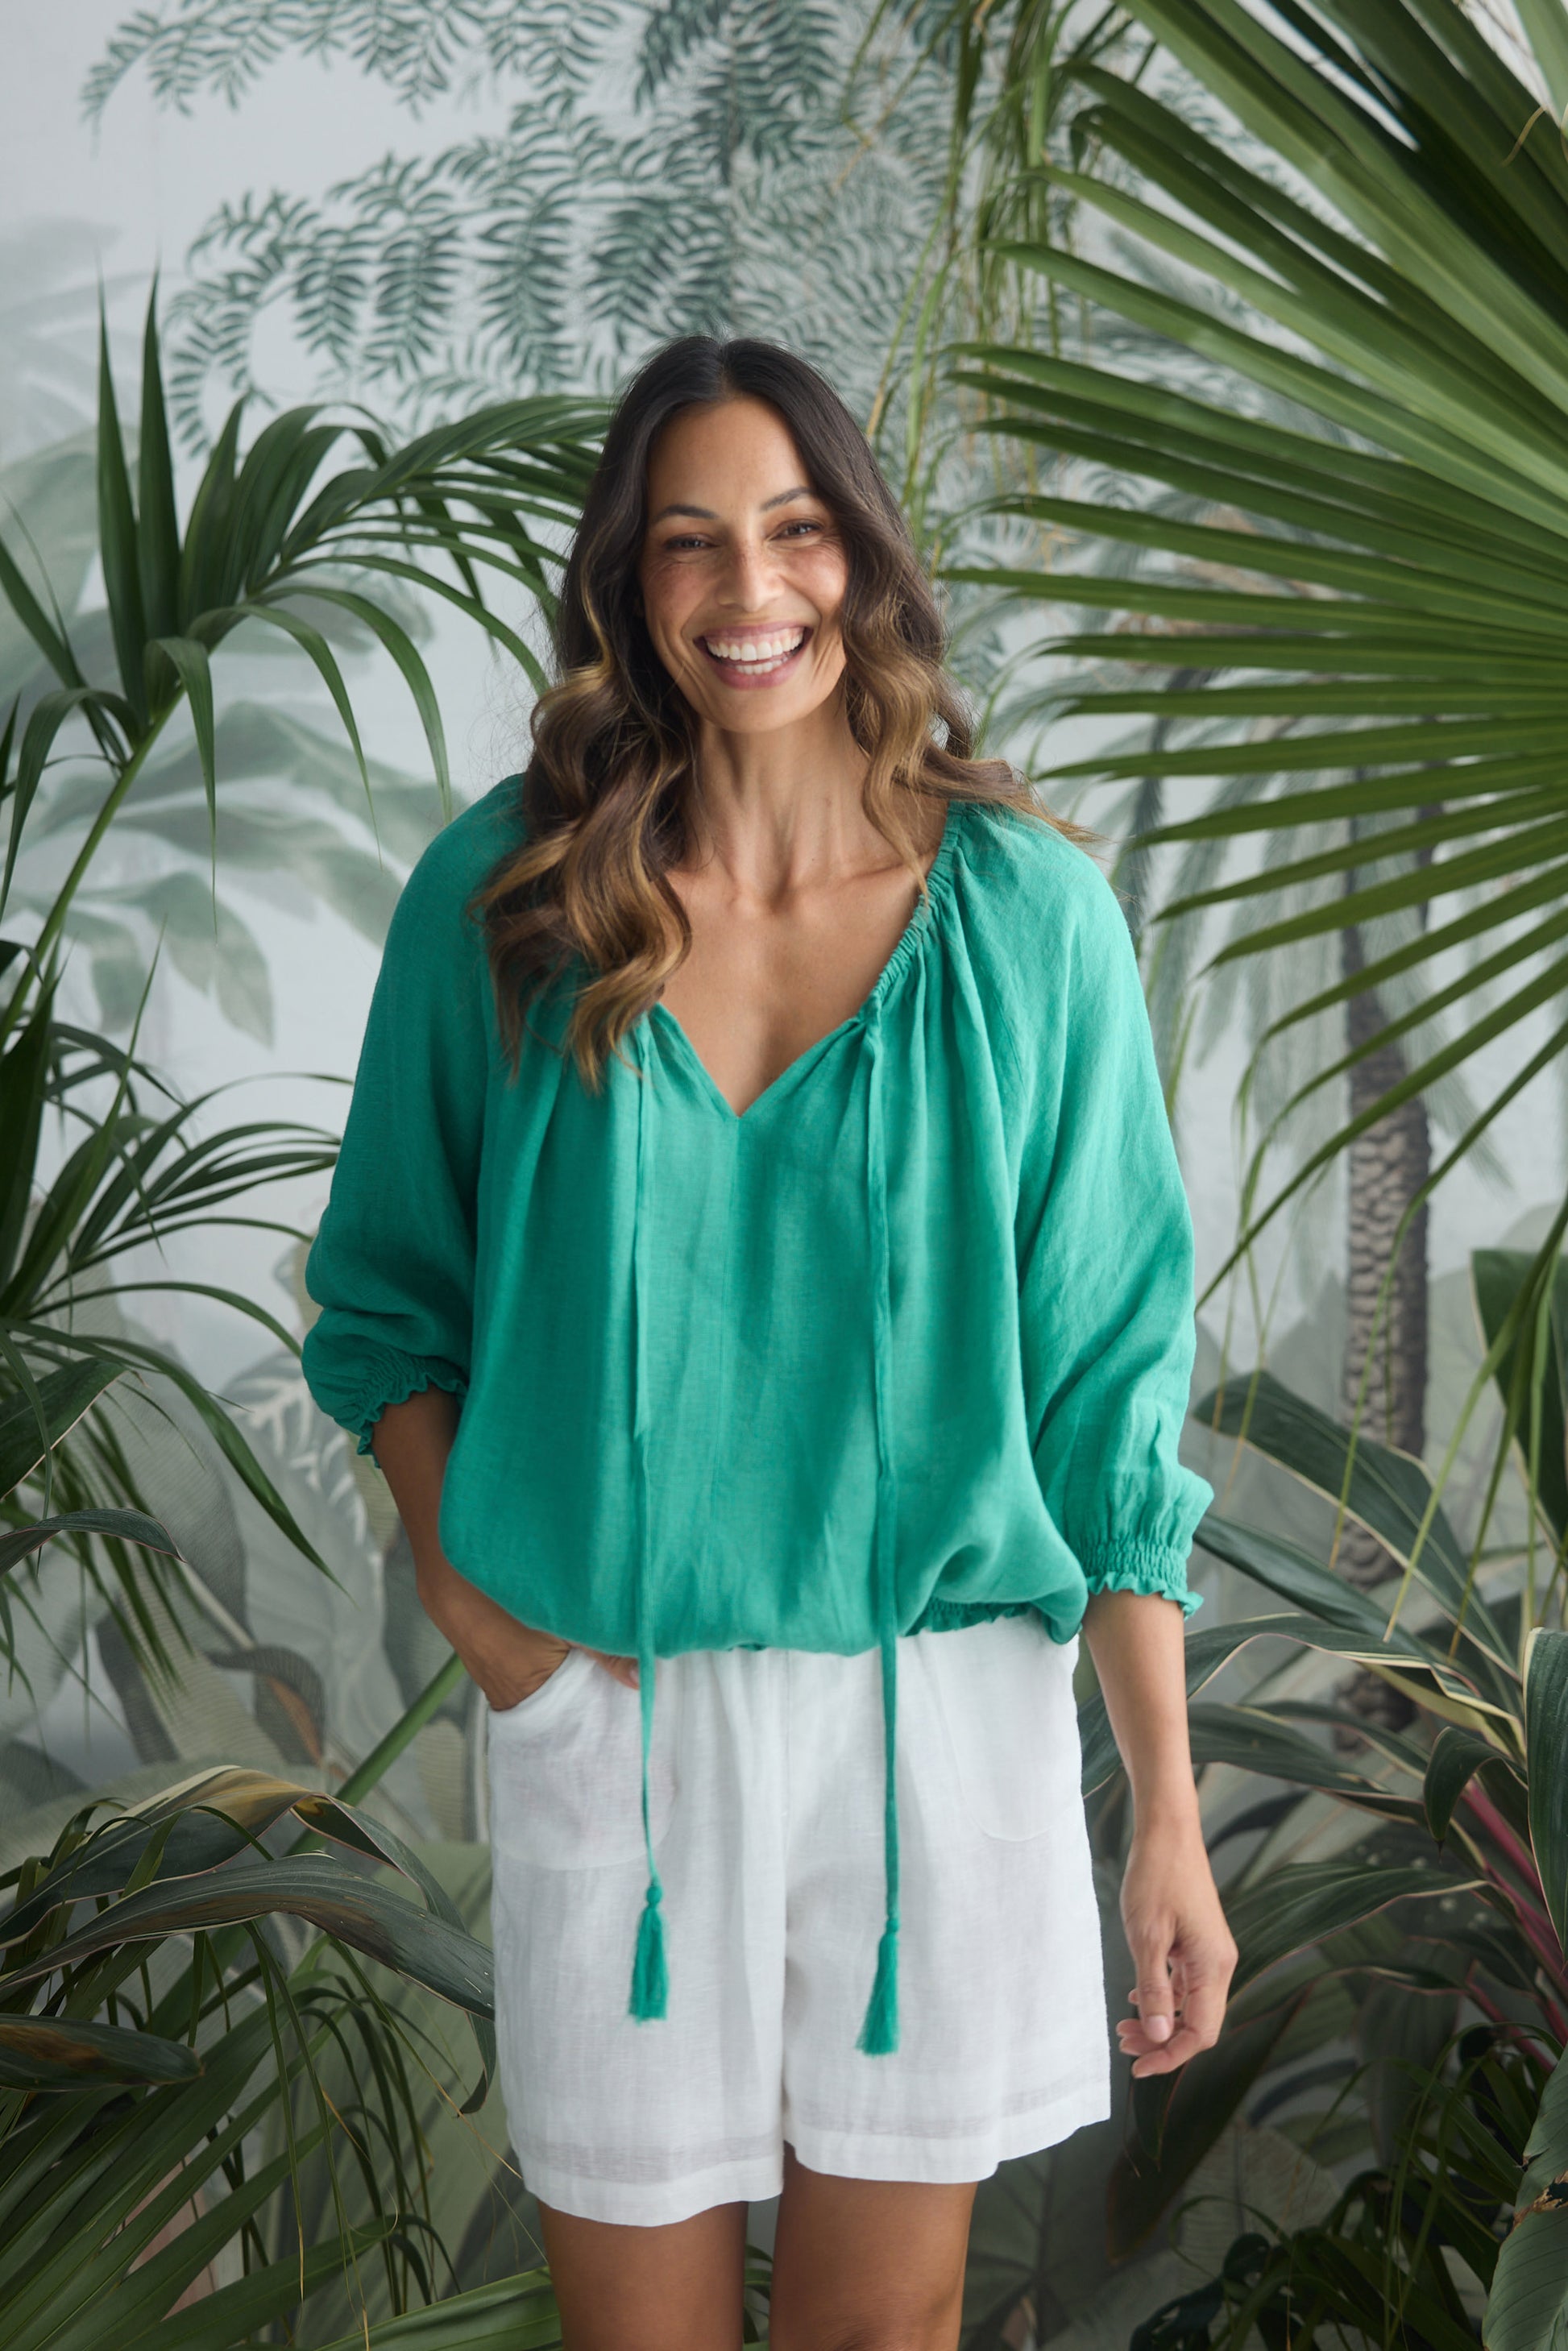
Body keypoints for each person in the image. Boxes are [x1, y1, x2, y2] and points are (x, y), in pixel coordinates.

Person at [300, 335, 1238, 2351]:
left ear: (864, 562)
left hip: (939, 1725)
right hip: (611, 1732)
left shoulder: (1028, 920)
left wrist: (1163, 1803)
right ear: (630, 589)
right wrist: (509, 1646)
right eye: (691, 543)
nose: (751, 592)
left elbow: (1107, 1395)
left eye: (797, 533)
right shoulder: (507, 897)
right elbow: (385, 1307)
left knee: (878, 2343)